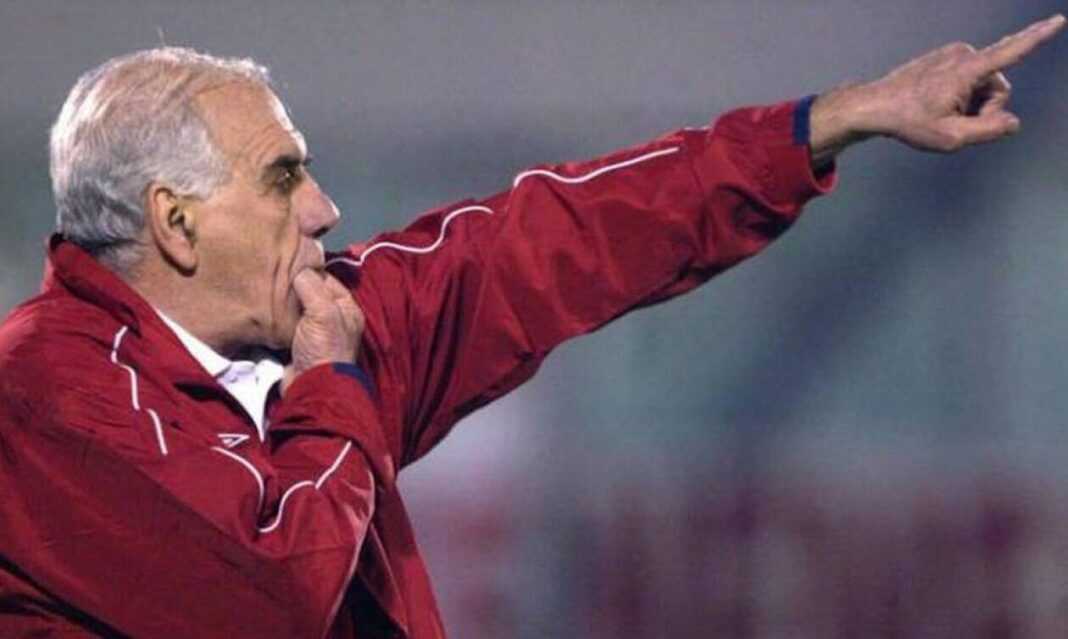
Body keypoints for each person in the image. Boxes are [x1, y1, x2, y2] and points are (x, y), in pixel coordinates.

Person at [0, 13, 1062, 639]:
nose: (322, 208)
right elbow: (274, 598)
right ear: (176, 223)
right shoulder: (44, 401)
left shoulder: (314, 331)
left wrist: (833, 121)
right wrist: (331, 388)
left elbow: (551, 237)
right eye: (281, 179)